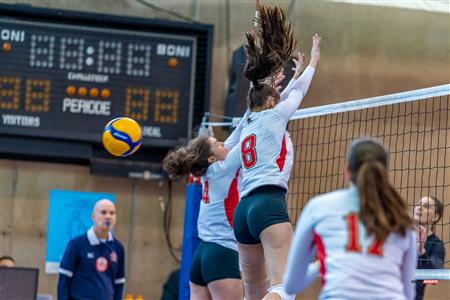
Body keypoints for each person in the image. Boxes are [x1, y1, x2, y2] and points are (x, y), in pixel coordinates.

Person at [231, 5, 320, 300]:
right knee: (284, 288)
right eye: (276, 96)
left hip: (242, 212)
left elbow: (276, 95)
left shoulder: (248, 123)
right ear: (272, 101)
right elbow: (297, 93)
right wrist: (314, 61)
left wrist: (272, 81)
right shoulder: (275, 116)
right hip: (268, 204)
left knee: (253, 293)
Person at [283, 138, 417, 299]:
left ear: (347, 170)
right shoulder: (402, 217)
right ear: (384, 174)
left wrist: (320, 265)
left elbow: (291, 285)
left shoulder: (318, 207)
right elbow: (409, 294)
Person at [162, 105, 247, 299]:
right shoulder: (224, 168)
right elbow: (248, 134)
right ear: (211, 158)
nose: (224, 144)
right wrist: (263, 103)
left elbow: (239, 132)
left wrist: (254, 103)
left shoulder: (211, 171)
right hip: (221, 254)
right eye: (217, 143)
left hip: (201, 257)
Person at [58, 199, 125, 300]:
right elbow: (64, 281)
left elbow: (119, 283)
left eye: (112, 213)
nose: (108, 216)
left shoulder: (118, 248)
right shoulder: (76, 244)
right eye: (103, 212)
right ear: (93, 216)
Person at [414, 196, 445, 300]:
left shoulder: (436, 244)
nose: (419, 207)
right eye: (418, 204)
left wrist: (422, 252)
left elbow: (433, 279)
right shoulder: (402, 236)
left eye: (426, 206)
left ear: (435, 217)